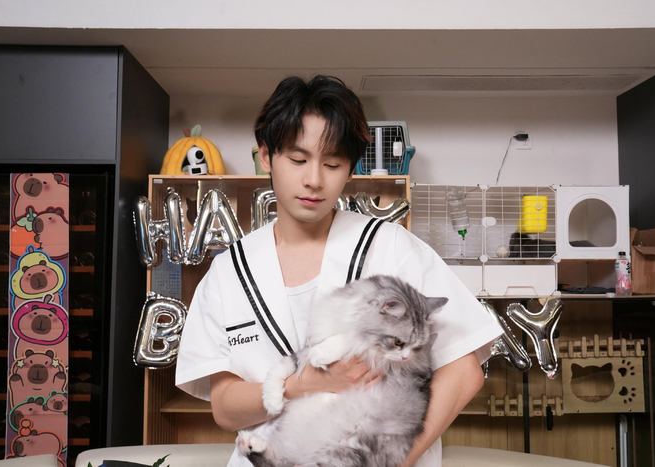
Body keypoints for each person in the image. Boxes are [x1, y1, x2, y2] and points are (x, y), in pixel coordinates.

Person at [175, 75, 503, 467]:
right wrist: (301, 385)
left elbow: (464, 372)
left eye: (332, 164)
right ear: (265, 156)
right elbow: (225, 408)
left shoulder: (392, 246)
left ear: (350, 169)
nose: (314, 180)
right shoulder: (228, 271)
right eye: (298, 160)